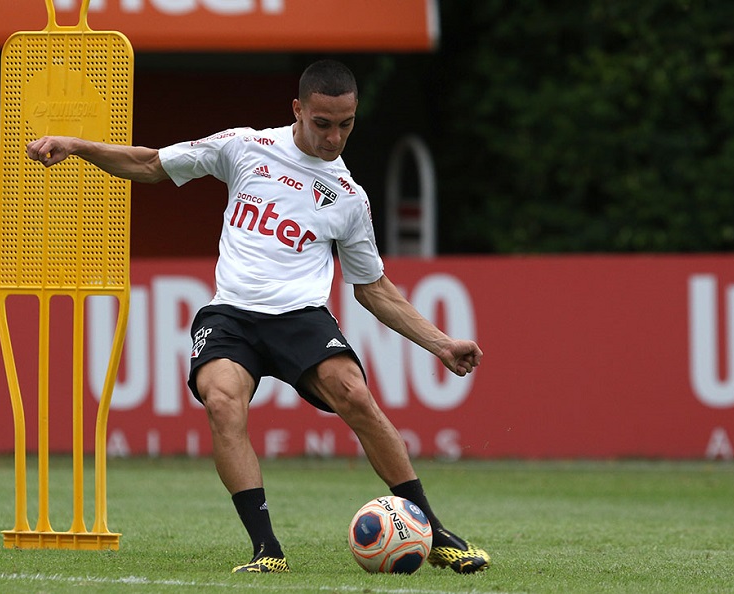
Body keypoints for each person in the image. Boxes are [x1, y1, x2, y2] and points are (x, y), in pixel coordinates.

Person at [27, 59, 490, 575]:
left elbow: (373, 288)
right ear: (298, 109)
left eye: (346, 124)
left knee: (355, 394)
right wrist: (76, 145)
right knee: (223, 402)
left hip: (300, 318)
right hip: (231, 316)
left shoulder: (350, 199)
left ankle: (435, 529)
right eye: (322, 123)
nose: (335, 137)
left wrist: (441, 344)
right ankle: (267, 550)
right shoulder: (245, 147)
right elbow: (151, 164)